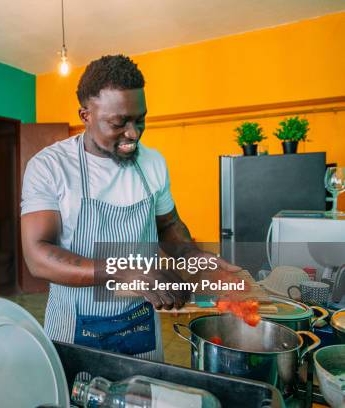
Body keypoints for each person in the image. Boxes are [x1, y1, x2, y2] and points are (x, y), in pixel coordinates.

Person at [20, 55, 240, 360]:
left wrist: (194, 257)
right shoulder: (50, 166)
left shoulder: (153, 162)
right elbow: (38, 256)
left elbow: (168, 225)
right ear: (85, 115)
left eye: (140, 119)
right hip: (74, 326)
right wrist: (124, 271)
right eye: (118, 123)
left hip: (141, 326)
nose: (133, 134)